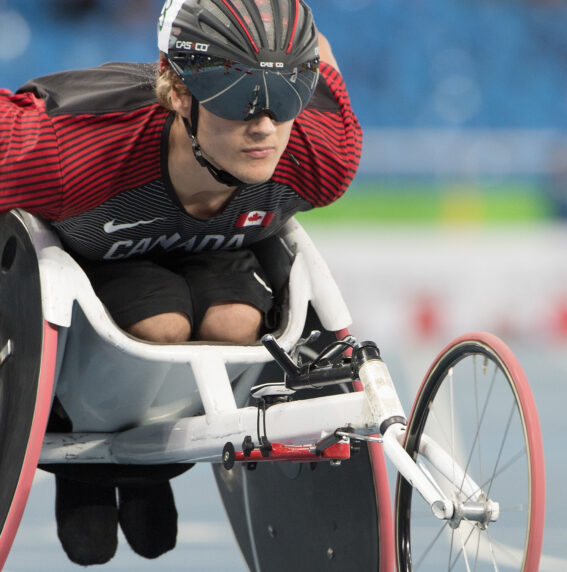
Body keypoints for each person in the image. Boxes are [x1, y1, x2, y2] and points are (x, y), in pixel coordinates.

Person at [0, 0, 362, 565]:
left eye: (285, 96)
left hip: (222, 251)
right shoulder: (63, 152)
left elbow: (321, 58)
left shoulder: (322, 157)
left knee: (236, 324)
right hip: (97, 265)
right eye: (238, 99)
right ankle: (89, 471)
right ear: (175, 92)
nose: (265, 126)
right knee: (160, 327)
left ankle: (153, 466)